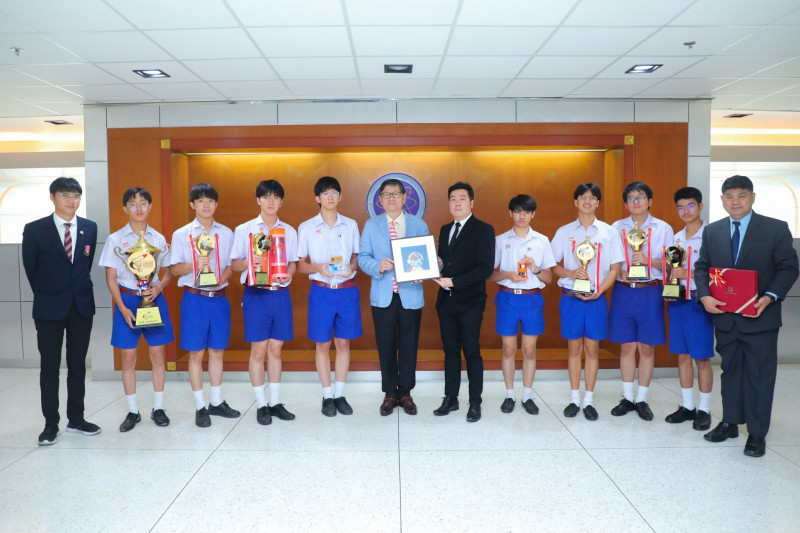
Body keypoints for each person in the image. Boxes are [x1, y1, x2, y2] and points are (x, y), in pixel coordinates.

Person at [695, 175, 798, 457]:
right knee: (730, 372)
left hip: (760, 316)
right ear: (722, 200)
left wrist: (770, 296)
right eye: (729, 196)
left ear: (752, 197)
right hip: (726, 317)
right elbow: (702, 266)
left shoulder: (775, 228)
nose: (735, 201)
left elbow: (789, 268)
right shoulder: (713, 231)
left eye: (741, 195)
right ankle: (730, 422)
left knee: (759, 376)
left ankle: (756, 433)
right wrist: (704, 296)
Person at [22, 177, 100, 445]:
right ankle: (50, 424)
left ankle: (76, 419)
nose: (71, 200)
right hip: (49, 308)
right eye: (65, 194)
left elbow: (84, 265)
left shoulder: (89, 228)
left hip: (81, 306)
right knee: (50, 368)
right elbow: (31, 270)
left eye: (76, 195)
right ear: (52, 197)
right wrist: (50, 292)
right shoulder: (35, 229)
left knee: (77, 365)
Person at [98, 187, 174, 432]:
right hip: (127, 301)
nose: (139, 208)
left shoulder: (158, 239)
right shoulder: (115, 239)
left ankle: (158, 408)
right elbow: (110, 278)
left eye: (143, 203)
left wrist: (159, 287)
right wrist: (121, 308)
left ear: (150, 207)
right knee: (128, 357)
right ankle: (132, 411)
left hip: (153, 299)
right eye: (133, 204)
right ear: (125, 208)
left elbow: (168, 272)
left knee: (158, 355)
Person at [169, 183, 240, 428]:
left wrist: (223, 278)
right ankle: (200, 406)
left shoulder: (227, 233)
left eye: (210, 200)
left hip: (219, 297)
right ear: (192, 205)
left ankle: (216, 402)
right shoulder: (181, 234)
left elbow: (232, 265)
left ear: (216, 204)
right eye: (200, 201)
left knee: (218, 351)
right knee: (197, 353)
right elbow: (174, 269)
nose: (206, 205)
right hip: (194, 298)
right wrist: (194, 265)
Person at [552, 183, 624, 421]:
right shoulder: (564, 232)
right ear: (576, 202)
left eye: (592, 197)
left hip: (596, 298)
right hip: (570, 298)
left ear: (598, 203)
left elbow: (615, 268)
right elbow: (552, 265)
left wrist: (600, 291)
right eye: (583, 197)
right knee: (574, 348)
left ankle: (589, 400)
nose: (587, 201)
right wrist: (571, 273)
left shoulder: (608, 232)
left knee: (592, 349)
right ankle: (574, 399)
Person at [230, 179, 298, 426]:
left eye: (276, 197)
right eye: (266, 197)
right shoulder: (244, 229)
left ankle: (275, 402)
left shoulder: (289, 231)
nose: (271, 201)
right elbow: (234, 264)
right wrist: (251, 262)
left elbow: (293, 262)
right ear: (258, 200)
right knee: (258, 350)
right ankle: (261, 405)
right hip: (256, 293)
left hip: (280, 293)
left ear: (281, 201)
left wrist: (288, 274)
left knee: (276, 349)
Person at [358, 178, 429, 416]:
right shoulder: (371, 225)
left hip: (411, 294)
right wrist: (378, 266)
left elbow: (426, 256)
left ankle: (405, 393)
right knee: (386, 344)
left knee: (409, 345)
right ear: (380, 199)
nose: (391, 198)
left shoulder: (418, 224)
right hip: (383, 295)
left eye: (395, 194)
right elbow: (363, 258)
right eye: (386, 194)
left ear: (404, 197)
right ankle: (390, 393)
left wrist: (422, 272)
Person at [297, 176, 361, 417]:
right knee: (322, 344)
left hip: (346, 290)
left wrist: (351, 267)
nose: (330, 197)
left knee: (343, 343)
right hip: (321, 291)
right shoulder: (306, 227)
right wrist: (318, 267)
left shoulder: (351, 225)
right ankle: (327, 396)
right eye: (325, 193)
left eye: (334, 192)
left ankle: (340, 394)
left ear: (340, 196)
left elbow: (356, 257)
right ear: (317, 198)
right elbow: (300, 265)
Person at [609, 181, 673, 421]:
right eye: (631, 198)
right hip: (624, 290)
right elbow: (610, 260)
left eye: (641, 197)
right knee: (627, 346)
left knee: (646, 347)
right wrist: (620, 270)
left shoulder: (663, 228)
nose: (636, 202)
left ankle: (642, 399)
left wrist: (648, 261)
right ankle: (627, 397)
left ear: (650, 201)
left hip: (650, 290)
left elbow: (671, 264)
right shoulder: (616, 227)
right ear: (626, 204)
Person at [487, 194, 555, 415]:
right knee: (508, 349)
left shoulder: (542, 240)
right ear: (510, 213)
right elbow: (489, 274)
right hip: (508, 298)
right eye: (517, 211)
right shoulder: (500, 240)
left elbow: (549, 278)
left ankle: (526, 395)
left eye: (526, 212)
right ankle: (509, 395)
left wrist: (535, 269)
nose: (522, 216)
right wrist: (508, 274)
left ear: (533, 214)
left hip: (532, 299)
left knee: (529, 349)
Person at [433, 182, 495, 422]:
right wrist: (438, 264)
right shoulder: (445, 229)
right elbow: (447, 261)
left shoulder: (484, 230)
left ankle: (475, 402)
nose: (457, 203)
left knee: (471, 351)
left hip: (471, 302)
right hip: (446, 302)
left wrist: (455, 282)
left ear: (471, 203)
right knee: (450, 351)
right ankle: (451, 398)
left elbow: (485, 268)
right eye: (453, 199)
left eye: (462, 198)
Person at [663, 187, 714, 431]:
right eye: (681, 207)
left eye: (691, 205)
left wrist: (689, 273)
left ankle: (704, 409)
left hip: (699, 301)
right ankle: (687, 405)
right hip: (678, 301)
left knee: (701, 357)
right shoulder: (676, 238)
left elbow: (720, 273)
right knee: (682, 355)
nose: (686, 211)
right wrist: (671, 279)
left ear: (700, 206)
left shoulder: (712, 236)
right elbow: (671, 270)